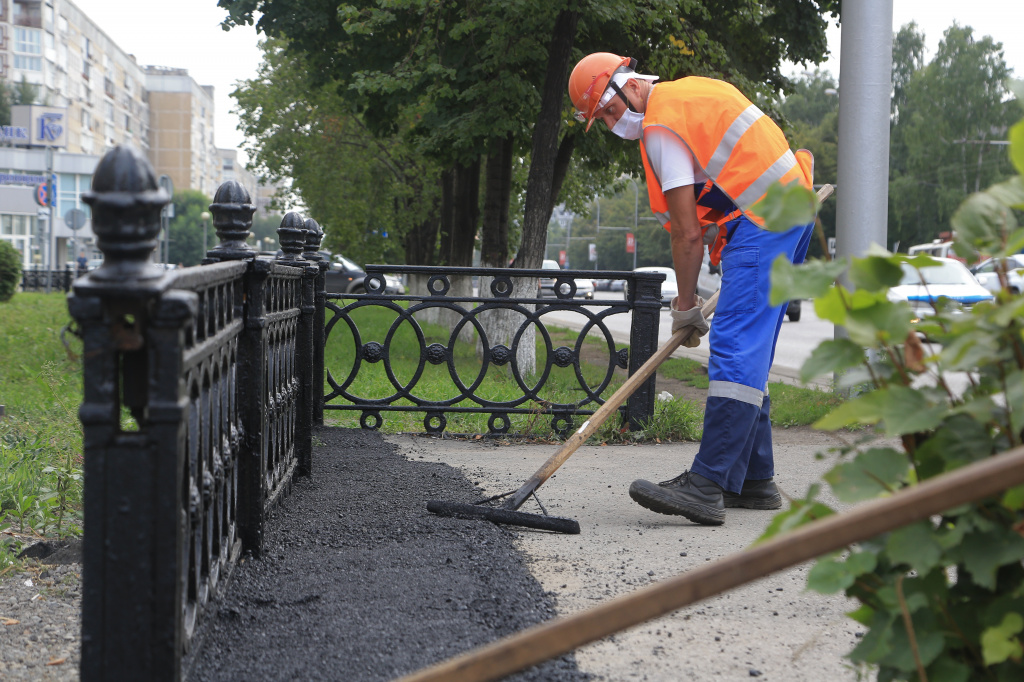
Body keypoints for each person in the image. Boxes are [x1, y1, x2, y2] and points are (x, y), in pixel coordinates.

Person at [568, 53, 815, 526]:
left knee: (736, 345)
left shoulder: (662, 127)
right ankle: (754, 479)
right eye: (600, 119)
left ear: (630, 85)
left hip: (764, 223)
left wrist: (684, 308)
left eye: (609, 110)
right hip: (788, 211)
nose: (609, 124)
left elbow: (686, 234)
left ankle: (707, 484)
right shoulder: (691, 93)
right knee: (752, 349)